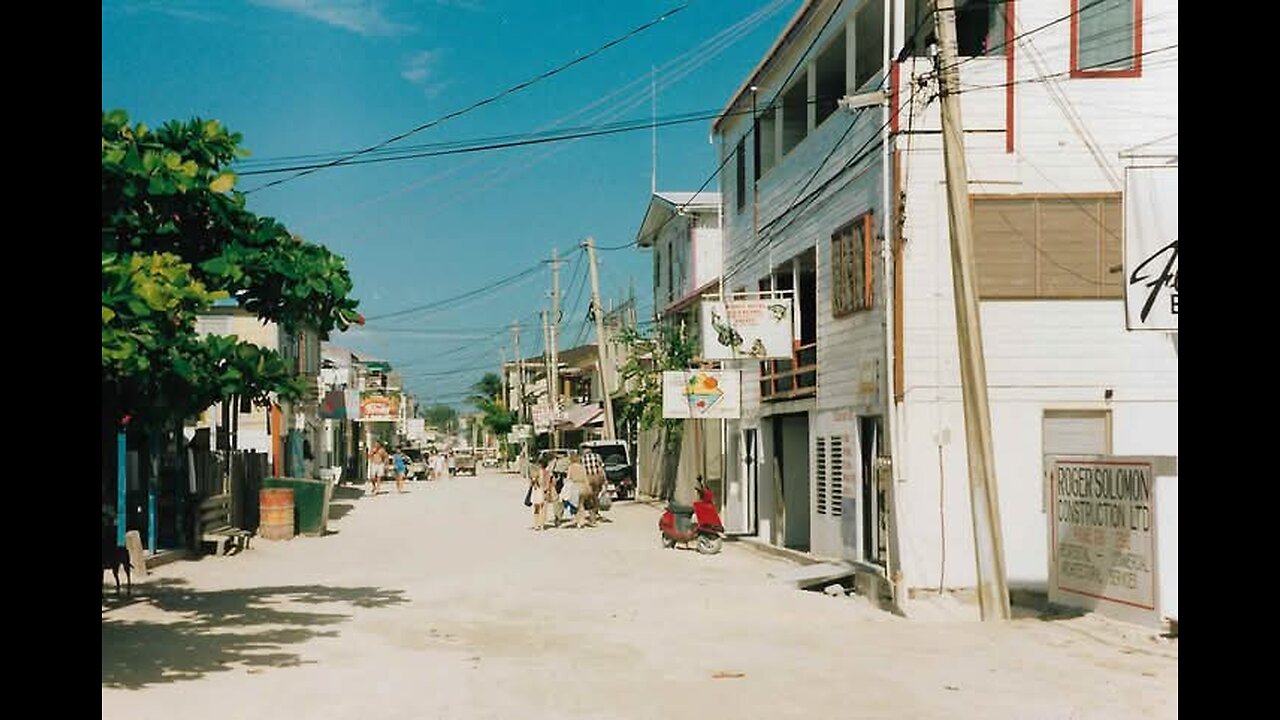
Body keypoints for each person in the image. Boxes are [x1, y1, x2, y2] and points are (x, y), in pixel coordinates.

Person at [565, 451, 595, 528]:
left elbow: (568, 478)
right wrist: (588, 488)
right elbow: (586, 478)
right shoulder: (582, 467)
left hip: (575, 487)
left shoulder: (571, 467)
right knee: (581, 504)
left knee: (577, 505)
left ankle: (579, 521)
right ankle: (581, 520)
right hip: (583, 487)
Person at [580, 447, 606, 525]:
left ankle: (592, 515)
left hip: (588, 478)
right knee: (596, 495)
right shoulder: (597, 456)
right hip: (597, 477)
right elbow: (601, 467)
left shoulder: (582, 458)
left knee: (589, 496)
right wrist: (604, 479)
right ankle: (595, 510)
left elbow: (582, 470)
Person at [529, 458, 550, 530]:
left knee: (536, 508)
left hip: (537, 490)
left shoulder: (535, 472)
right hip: (543, 490)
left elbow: (532, 483)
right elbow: (547, 483)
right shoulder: (547, 472)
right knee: (543, 509)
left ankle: (536, 524)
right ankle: (542, 524)